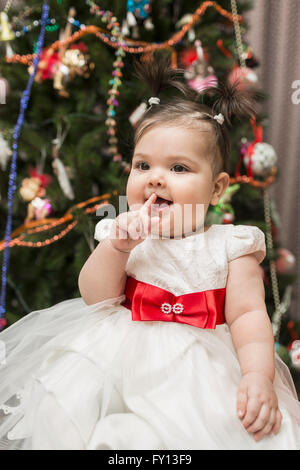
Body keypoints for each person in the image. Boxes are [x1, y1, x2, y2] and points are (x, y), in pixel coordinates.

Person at [0, 55, 300, 451]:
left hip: (195, 371)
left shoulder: (232, 246)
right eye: (143, 165)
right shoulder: (124, 234)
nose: (155, 177)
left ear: (216, 188)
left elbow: (248, 316)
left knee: (192, 434)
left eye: (178, 168)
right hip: (115, 358)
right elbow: (95, 296)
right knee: (64, 411)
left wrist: (258, 376)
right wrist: (116, 248)